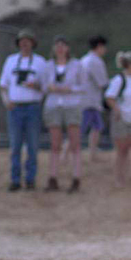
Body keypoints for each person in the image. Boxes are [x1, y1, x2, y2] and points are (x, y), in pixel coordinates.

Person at [0, 28, 47, 192]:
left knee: (32, 146)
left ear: (33, 43)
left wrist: (36, 86)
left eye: (28, 41)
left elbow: (46, 87)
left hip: (32, 106)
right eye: (22, 41)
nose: (24, 44)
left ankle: (31, 179)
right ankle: (15, 179)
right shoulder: (11, 60)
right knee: (15, 146)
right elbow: (3, 85)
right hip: (15, 107)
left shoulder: (40, 62)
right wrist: (7, 102)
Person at [42, 35, 85, 193]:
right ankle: (53, 177)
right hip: (54, 105)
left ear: (67, 48)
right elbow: (43, 85)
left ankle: (76, 177)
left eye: (63, 45)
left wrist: (70, 89)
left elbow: (83, 85)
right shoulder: (48, 66)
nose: (60, 48)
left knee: (75, 143)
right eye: (57, 45)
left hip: (71, 105)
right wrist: (50, 88)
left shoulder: (77, 65)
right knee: (55, 144)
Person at [104, 51, 131, 187]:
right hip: (121, 119)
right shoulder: (119, 79)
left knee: (126, 149)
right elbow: (109, 97)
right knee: (120, 150)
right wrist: (117, 110)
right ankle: (118, 177)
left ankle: (125, 176)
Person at [80, 35, 109, 162]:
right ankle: (67, 153)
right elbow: (102, 83)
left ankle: (92, 153)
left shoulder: (84, 59)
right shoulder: (96, 61)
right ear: (99, 46)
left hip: (85, 99)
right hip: (90, 101)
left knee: (97, 126)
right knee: (81, 129)